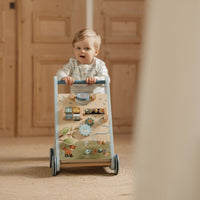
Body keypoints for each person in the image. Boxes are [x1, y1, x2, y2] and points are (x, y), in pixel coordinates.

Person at [56, 28, 109, 94]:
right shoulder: (72, 64)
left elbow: (106, 78)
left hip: (96, 99)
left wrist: (95, 79)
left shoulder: (100, 65)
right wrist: (65, 77)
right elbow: (60, 72)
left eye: (87, 48)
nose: (82, 51)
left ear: (95, 52)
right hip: (77, 99)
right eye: (78, 48)